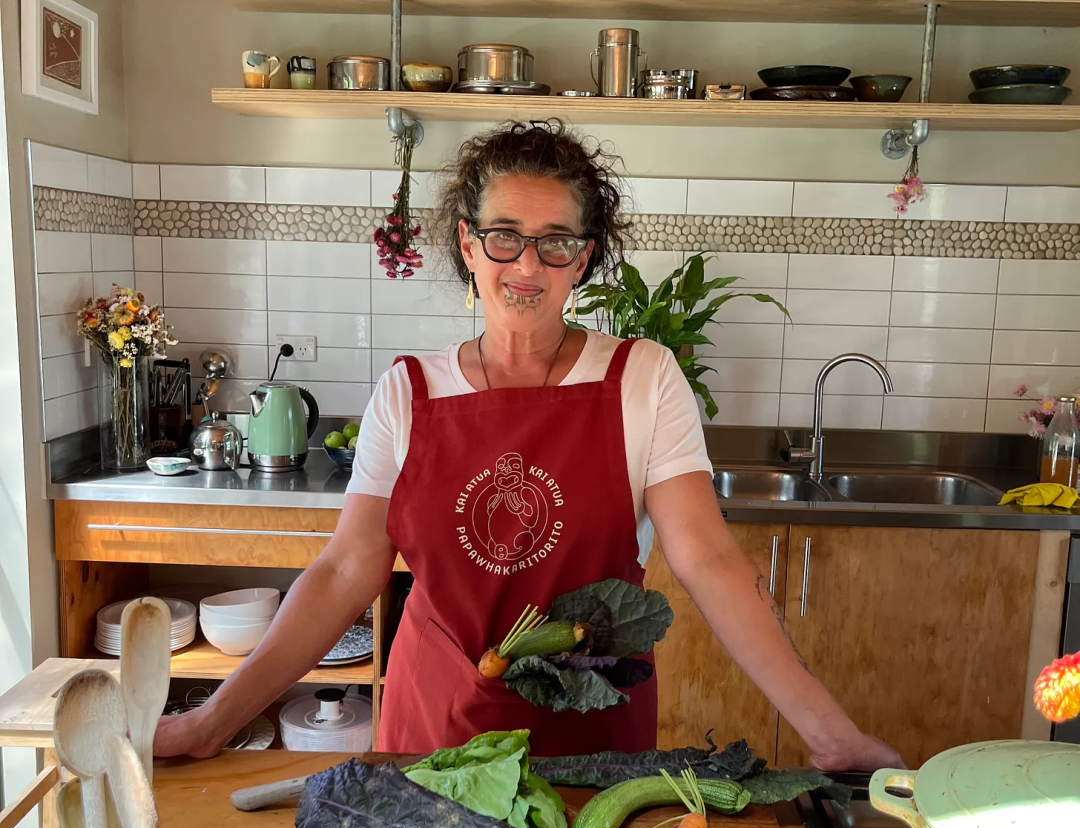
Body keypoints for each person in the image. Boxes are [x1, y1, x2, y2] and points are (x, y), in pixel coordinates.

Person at [155, 120, 901, 769]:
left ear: (584, 257)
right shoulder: (410, 393)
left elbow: (707, 558)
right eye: (505, 236)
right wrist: (213, 720)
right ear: (468, 245)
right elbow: (348, 567)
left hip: (591, 732)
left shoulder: (642, 378)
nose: (525, 267)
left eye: (555, 244)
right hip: (437, 726)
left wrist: (828, 732)